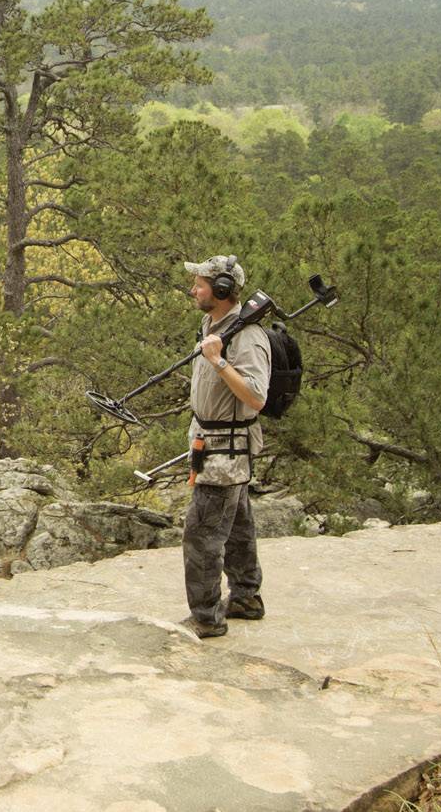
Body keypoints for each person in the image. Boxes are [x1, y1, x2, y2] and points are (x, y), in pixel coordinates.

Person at [180, 255, 271, 639]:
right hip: (211, 444)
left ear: (220, 291)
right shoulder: (214, 324)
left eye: (199, 284)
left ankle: (206, 618)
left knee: (201, 536)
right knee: (236, 527)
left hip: (226, 452)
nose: (192, 290)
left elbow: (255, 397)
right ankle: (246, 599)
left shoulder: (247, 337)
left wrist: (218, 361)